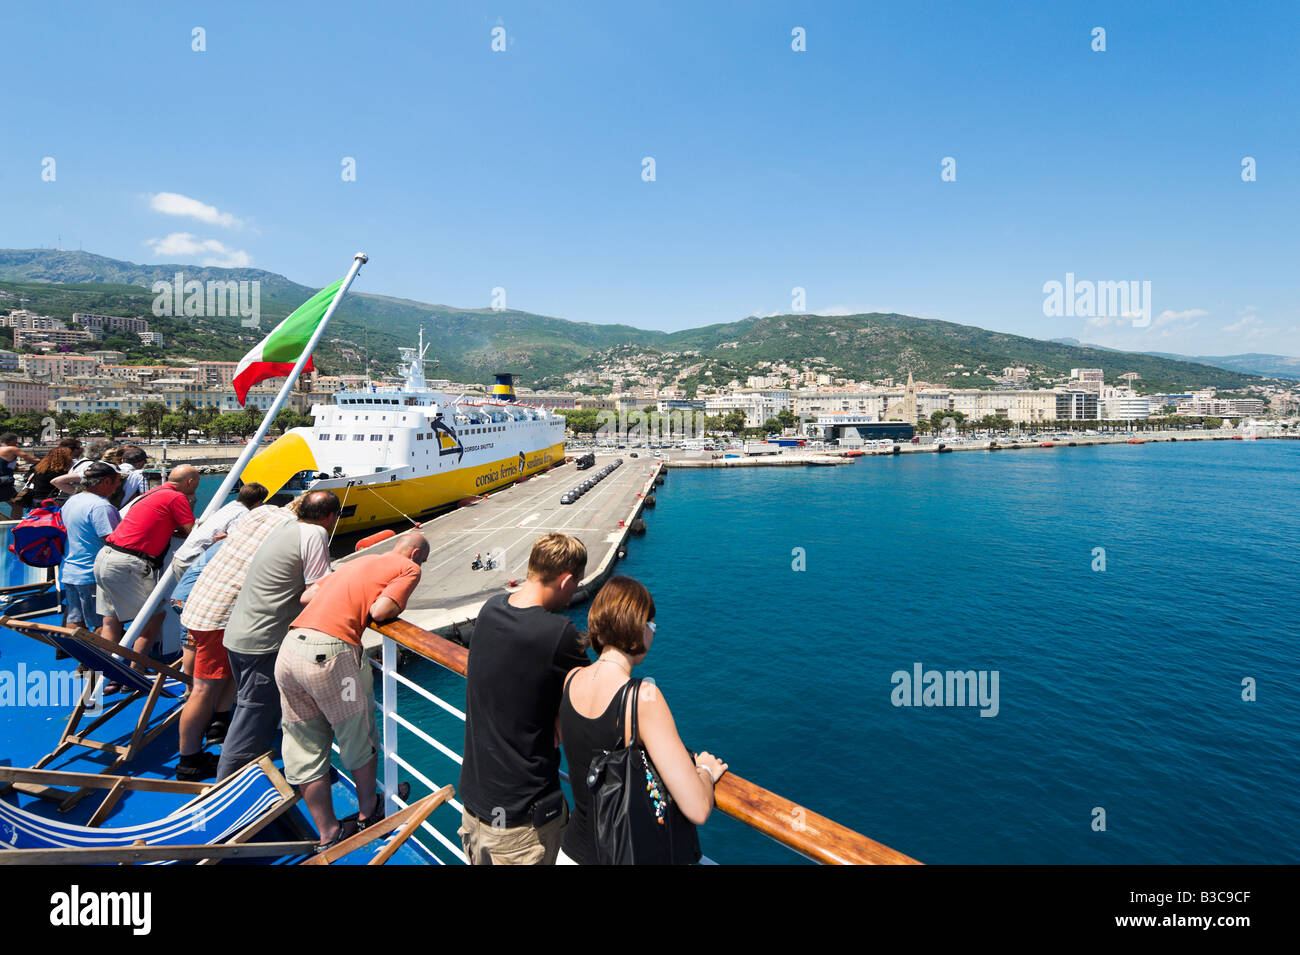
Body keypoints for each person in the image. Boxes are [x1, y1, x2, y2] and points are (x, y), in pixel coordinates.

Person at [556, 576, 726, 865]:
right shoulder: (641, 698)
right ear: (638, 627)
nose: (654, 633)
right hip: (617, 855)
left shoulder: (571, 679)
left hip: (571, 853)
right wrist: (706, 772)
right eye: (652, 624)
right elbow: (697, 808)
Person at [276, 531, 427, 851]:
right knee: (357, 731)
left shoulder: (359, 561)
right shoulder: (409, 568)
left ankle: (329, 832)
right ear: (415, 555)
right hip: (332, 657)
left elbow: (306, 597)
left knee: (304, 744)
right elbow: (380, 612)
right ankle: (368, 813)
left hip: (290, 651)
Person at [458, 532, 590, 865]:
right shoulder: (558, 633)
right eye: (576, 585)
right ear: (566, 580)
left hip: (476, 805)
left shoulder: (491, 610)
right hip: (522, 820)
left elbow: (517, 675)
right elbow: (597, 694)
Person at [213, 490, 340, 782]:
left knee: (265, 706)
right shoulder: (315, 534)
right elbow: (316, 591)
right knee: (252, 714)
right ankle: (227, 786)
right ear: (331, 517)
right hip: (264, 640)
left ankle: (299, 765)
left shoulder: (287, 526)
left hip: (240, 634)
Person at [178, 497, 307, 779]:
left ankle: (219, 725)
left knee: (229, 674)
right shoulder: (293, 530)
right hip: (221, 616)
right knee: (202, 690)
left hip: (200, 603)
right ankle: (188, 762)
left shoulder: (260, 512)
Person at [93, 465, 198, 676]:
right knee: (152, 618)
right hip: (130, 564)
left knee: (111, 620)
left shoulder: (152, 493)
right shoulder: (177, 498)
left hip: (106, 558)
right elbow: (194, 534)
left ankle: (108, 673)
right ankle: (136, 669)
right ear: (190, 483)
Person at [58, 462, 123, 635]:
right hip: (92, 573)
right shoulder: (101, 507)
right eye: (117, 481)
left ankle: (82, 659)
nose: (118, 487)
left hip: (70, 571)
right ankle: (96, 660)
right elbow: (113, 540)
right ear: (106, 482)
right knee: (105, 622)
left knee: (75, 619)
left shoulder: (72, 501)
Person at [170, 482, 267, 581]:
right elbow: (230, 539)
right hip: (192, 562)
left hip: (181, 558)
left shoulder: (231, 506)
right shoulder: (243, 513)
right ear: (258, 503)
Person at [0, 433, 40, 518]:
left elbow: (7, 466)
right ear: (11, 441)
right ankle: (13, 528)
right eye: (15, 441)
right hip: (3, 484)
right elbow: (32, 459)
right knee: (18, 505)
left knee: (15, 504)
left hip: (3, 483)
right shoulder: (12, 449)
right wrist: (48, 462)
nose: (16, 444)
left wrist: (20, 469)